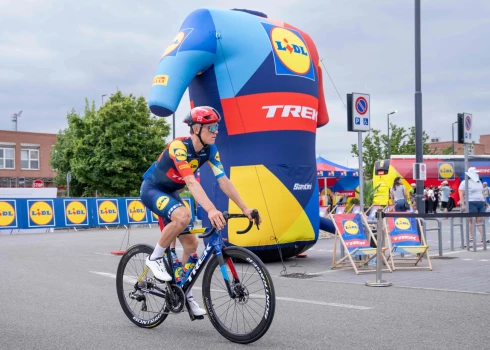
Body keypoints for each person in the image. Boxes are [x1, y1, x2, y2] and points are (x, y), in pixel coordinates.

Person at [140, 106, 261, 316]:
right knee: (183, 215)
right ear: (196, 128)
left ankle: (184, 294)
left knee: (192, 243)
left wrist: (245, 208)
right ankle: (154, 258)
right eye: (211, 127)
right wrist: (211, 209)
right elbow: (190, 182)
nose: (216, 131)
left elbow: (224, 181)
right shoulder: (179, 147)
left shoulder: (211, 150)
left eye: (217, 126)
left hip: (171, 193)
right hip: (153, 189)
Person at [459, 167, 488, 244]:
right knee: (472, 220)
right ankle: (471, 238)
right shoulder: (465, 182)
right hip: (471, 202)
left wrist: (485, 202)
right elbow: (461, 193)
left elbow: (482, 192)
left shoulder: (479, 182)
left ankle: (483, 237)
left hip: (480, 202)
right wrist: (463, 204)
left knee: (480, 220)